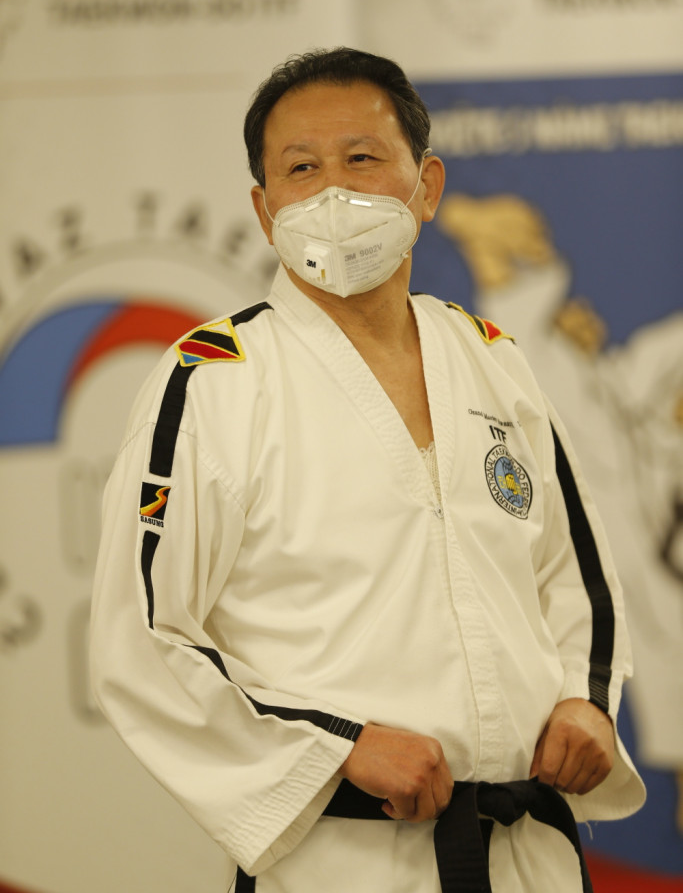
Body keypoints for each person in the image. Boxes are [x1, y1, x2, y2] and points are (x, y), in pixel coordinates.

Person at [90, 48, 645, 893]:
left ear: (426, 186)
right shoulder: (215, 378)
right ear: (263, 207)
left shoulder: (489, 358)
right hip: (344, 860)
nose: (333, 194)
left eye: (361, 158)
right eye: (300, 169)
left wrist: (585, 697)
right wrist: (334, 749)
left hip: (526, 852)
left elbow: (574, 572)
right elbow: (140, 637)